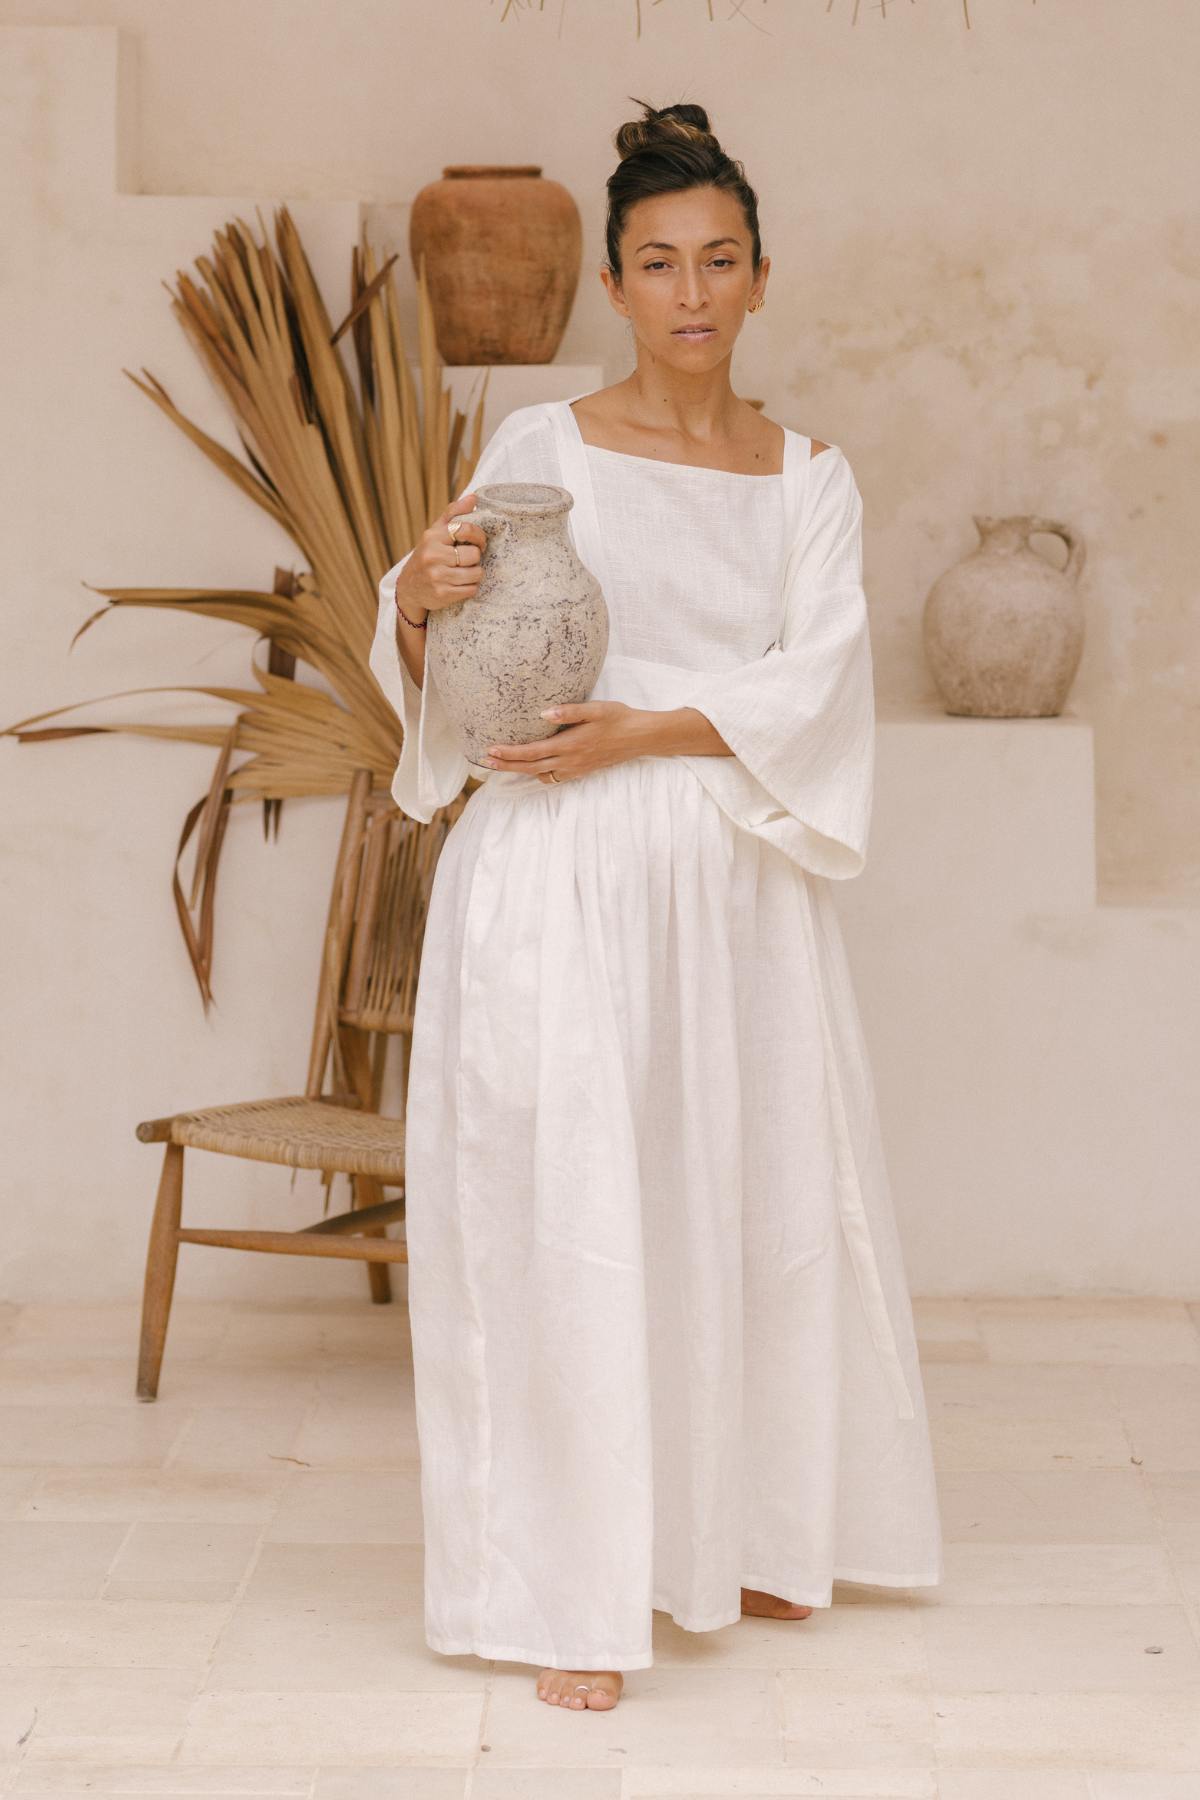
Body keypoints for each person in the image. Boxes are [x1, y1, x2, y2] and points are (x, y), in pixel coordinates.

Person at [368, 98, 943, 1715]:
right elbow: (471, 684)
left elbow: (820, 682)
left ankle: (745, 1532)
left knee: (748, 1209)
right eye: (657, 264)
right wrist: (417, 615)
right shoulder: (542, 451)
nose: (690, 293)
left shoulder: (809, 477)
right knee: (565, 1225)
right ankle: (570, 1592)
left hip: (735, 896)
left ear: (763, 278)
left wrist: (655, 728)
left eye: (720, 261)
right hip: (556, 879)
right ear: (614, 287)